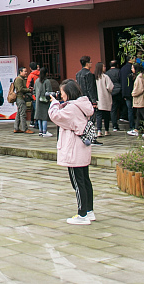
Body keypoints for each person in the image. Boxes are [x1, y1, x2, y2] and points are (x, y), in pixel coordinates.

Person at [49, 79, 95, 225]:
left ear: (68, 93)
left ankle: (82, 214)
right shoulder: (81, 104)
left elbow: (55, 116)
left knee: (77, 182)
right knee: (85, 180)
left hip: (73, 148)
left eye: (62, 93)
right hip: (82, 147)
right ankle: (89, 211)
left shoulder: (72, 108)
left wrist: (54, 103)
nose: (61, 96)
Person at [75, 58, 100, 145]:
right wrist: (94, 101)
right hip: (88, 99)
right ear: (87, 63)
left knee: (84, 119)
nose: (91, 64)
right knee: (91, 120)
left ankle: (84, 136)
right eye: (90, 62)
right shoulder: (89, 74)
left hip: (80, 99)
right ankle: (92, 138)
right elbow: (90, 88)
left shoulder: (78, 74)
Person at [33, 71, 58, 137]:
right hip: (45, 100)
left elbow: (34, 90)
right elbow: (49, 91)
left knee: (38, 116)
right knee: (44, 116)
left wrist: (36, 96)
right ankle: (44, 131)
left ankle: (40, 131)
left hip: (38, 100)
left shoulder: (37, 81)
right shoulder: (47, 81)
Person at [93, 62, 114, 137]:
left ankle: (99, 130)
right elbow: (110, 87)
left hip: (97, 98)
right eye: (104, 66)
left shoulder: (94, 77)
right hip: (105, 98)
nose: (105, 68)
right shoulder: (105, 77)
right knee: (106, 115)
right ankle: (106, 130)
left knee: (98, 115)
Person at [13, 67, 34, 134]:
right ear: (20, 72)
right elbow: (20, 89)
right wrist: (28, 90)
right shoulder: (19, 79)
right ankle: (25, 128)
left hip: (21, 98)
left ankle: (16, 128)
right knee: (23, 114)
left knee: (19, 113)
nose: (26, 72)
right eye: (24, 71)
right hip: (20, 98)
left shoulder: (22, 79)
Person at [105, 60, 123, 132]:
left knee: (113, 109)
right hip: (119, 90)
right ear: (117, 65)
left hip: (111, 91)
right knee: (124, 104)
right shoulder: (119, 71)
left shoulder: (107, 73)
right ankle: (123, 117)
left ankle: (114, 125)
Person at [120, 56, 136, 132]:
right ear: (131, 59)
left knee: (130, 109)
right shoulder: (133, 68)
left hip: (125, 92)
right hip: (133, 91)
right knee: (136, 109)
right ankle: (136, 126)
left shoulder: (122, 69)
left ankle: (131, 126)